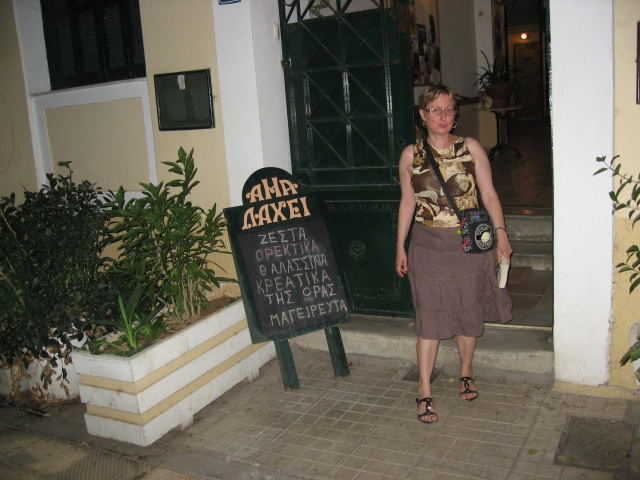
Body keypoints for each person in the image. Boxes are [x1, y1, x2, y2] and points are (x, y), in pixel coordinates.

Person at [395, 84, 512, 424]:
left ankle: (466, 372)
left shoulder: (470, 148)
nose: (443, 117)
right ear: (423, 115)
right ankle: (424, 389)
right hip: (427, 246)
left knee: (468, 309)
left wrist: (501, 234)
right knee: (428, 318)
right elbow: (407, 202)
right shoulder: (411, 155)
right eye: (436, 110)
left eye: (449, 110)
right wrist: (399, 245)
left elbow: (489, 194)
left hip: (468, 245)